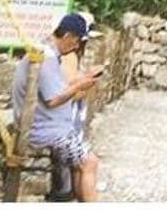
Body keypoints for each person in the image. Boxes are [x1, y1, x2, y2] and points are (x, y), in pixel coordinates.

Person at [12, 13, 104, 202]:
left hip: (48, 127)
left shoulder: (47, 52)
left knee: (80, 164)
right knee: (90, 162)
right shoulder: (47, 58)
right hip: (46, 131)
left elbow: (56, 87)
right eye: (76, 41)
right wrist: (80, 86)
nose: (76, 46)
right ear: (68, 36)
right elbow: (53, 100)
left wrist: (84, 79)